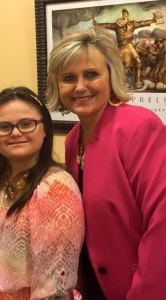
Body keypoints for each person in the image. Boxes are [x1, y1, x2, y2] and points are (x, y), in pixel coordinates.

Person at [47, 27, 166, 300]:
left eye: (91, 74)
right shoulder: (72, 139)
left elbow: (162, 224)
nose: (79, 86)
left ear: (111, 76)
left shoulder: (139, 127)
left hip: (136, 287)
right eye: (68, 78)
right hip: (92, 284)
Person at [0, 86, 84, 300]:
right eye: (4, 127)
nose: (15, 133)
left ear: (45, 129)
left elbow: (54, 288)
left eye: (27, 124)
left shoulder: (55, 188)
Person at [93, 8, 157, 89]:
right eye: (123, 14)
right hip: (121, 47)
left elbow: (142, 23)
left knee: (138, 61)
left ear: (127, 16)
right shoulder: (117, 25)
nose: (124, 16)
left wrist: (153, 20)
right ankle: (120, 83)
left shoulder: (132, 24)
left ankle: (137, 81)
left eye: (125, 14)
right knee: (117, 64)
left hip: (129, 46)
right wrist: (97, 24)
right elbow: (107, 25)